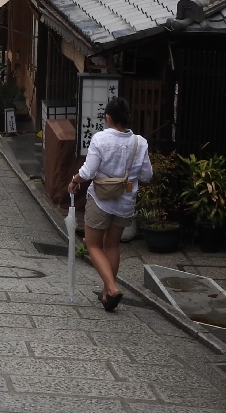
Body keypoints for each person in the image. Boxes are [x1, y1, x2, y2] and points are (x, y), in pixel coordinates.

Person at [68, 97, 152, 311]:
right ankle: (107, 294)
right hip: (125, 201)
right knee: (112, 245)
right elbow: (147, 175)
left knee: (92, 244)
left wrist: (74, 181)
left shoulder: (101, 139)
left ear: (108, 117)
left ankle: (112, 288)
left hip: (101, 199)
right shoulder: (139, 142)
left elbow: (88, 171)